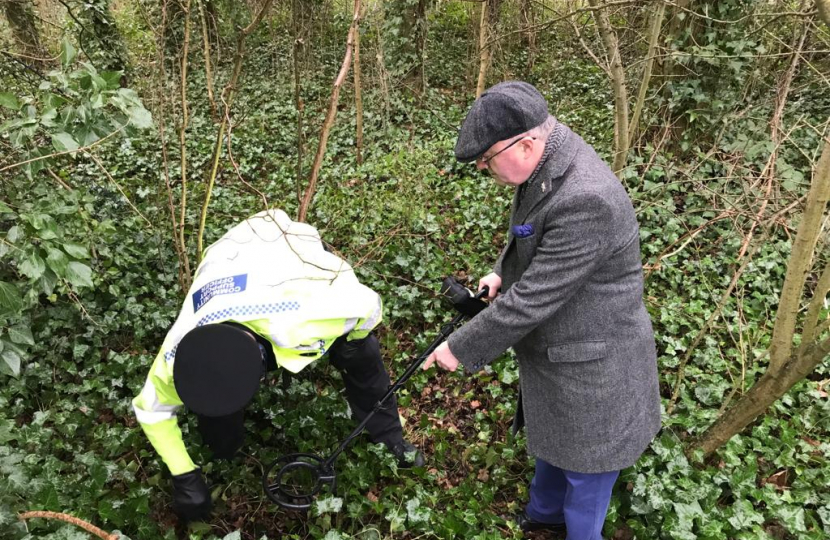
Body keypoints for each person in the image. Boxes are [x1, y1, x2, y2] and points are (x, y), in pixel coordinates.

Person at [423, 81, 661, 540]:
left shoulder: (587, 199)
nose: (482, 167)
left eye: (486, 159)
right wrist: (499, 272)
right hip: (561, 352)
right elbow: (531, 236)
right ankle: (542, 516)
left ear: (526, 143)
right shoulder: (549, 159)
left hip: (595, 366)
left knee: (587, 474)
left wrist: (461, 346)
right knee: (553, 443)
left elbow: (533, 298)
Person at [133, 209, 424, 523]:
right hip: (227, 256)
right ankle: (224, 446)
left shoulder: (322, 309)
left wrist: (353, 342)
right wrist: (184, 475)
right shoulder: (176, 355)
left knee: (363, 359)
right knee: (217, 414)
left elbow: (369, 307)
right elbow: (151, 409)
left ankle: (389, 438)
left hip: (287, 246)